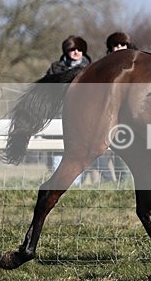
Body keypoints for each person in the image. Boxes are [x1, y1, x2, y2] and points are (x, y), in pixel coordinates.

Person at [46, 36, 91, 183]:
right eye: (72, 49)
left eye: (79, 49)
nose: (76, 52)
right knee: (58, 153)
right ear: (66, 51)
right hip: (59, 114)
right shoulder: (55, 68)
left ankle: (78, 184)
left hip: (84, 116)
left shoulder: (92, 68)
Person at [98, 32, 133, 183]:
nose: (119, 48)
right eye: (116, 45)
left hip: (127, 120)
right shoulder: (103, 67)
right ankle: (108, 182)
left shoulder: (135, 67)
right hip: (105, 117)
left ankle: (123, 182)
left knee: (123, 155)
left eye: (122, 45)